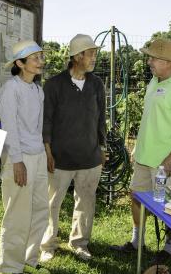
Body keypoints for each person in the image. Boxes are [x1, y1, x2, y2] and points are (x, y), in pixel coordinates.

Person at [111, 38, 171, 262]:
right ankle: (136, 241)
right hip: (144, 157)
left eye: (152, 58)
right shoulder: (155, 80)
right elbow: (150, 118)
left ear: (168, 61)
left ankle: (169, 248)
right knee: (137, 196)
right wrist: (138, 148)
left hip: (165, 163)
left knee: (169, 204)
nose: (148, 61)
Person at [39, 34, 106, 262]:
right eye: (91, 53)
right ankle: (48, 244)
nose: (95, 57)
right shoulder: (54, 85)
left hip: (90, 157)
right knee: (52, 203)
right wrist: (48, 152)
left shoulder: (96, 84)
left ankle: (79, 243)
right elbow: (46, 121)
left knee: (86, 202)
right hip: (60, 159)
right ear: (78, 56)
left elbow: (101, 119)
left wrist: (102, 147)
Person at [0, 40, 50, 274]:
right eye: (35, 58)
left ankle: (29, 259)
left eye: (41, 56)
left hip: (37, 156)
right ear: (20, 63)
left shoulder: (37, 90)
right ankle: (9, 268)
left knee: (40, 210)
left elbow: (37, 129)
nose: (41, 62)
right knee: (17, 215)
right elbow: (9, 128)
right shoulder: (11, 89)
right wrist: (17, 161)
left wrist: (44, 153)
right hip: (18, 158)